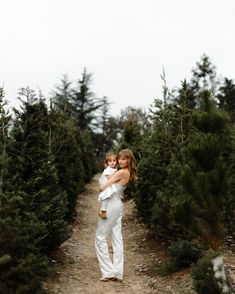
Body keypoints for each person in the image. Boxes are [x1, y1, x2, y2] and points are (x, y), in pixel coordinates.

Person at [95, 149, 137, 282]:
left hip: (112, 206)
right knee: (117, 238)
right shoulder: (128, 173)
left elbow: (102, 188)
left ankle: (108, 272)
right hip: (118, 204)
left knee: (100, 237)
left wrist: (107, 180)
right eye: (119, 158)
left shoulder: (120, 172)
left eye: (124, 159)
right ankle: (118, 272)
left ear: (129, 160)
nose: (120, 161)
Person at [98, 152, 118, 219]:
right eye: (110, 161)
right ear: (107, 163)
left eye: (114, 161)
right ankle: (103, 211)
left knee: (110, 198)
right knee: (105, 197)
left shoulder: (115, 169)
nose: (112, 162)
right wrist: (117, 176)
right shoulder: (107, 170)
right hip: (106, 185)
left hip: (111, 185)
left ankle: (107, 211)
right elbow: (110, 178)